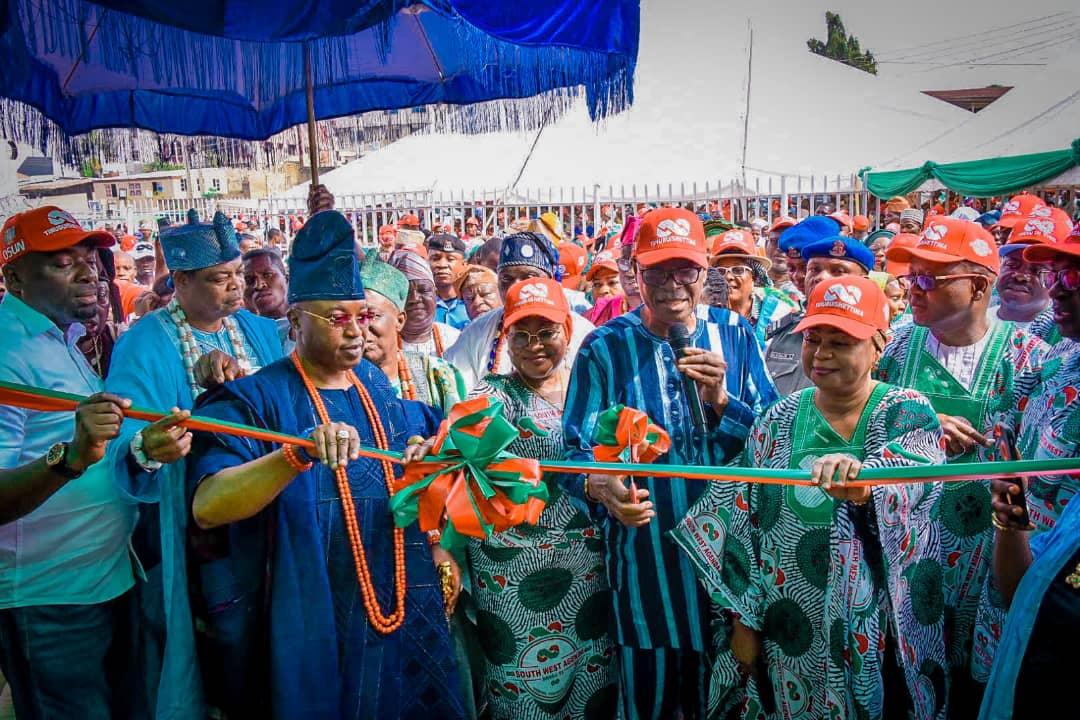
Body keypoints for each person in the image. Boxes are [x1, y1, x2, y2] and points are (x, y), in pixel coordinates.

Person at [183, 208, 464, 719]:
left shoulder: (379, 389)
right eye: (337, 318)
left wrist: (436, 460)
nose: (356, 332)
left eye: (362, 315)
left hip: (400, 609)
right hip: (309, 620)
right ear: (294, 321)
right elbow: (207, 505)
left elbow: (437, 465)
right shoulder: (254, 399)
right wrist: (293, 455)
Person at [674, 274, 949, 719]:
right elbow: (743, 525)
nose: (820, 355)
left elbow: (913, 475)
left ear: (879, 344)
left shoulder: (906, 410)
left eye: (840, 342)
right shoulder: (780, 418)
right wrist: (746, 620)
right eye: (813, 339)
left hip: (882, 635)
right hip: (789, 631)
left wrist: (864, 485)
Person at [562, 208, 777, 720]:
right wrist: (600, 485)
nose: (672, 285)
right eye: (657, 271)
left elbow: (775, 438)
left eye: (686, 271)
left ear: (706, 273)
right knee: (650, 705)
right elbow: (571, 452)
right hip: (646, 573)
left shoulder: (737, 334)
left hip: (731, 569)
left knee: (731, 701)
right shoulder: (604, 347)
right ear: (634, 273)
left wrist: (723, 401)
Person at [104, 209, 284, 719]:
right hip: (191, 527)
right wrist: (150, 447)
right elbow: (126, 440)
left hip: (265, 509)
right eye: (219, 279)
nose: (235, 289)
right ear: (181, 281)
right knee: (215, 642)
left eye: (237, 275)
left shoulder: (258, 330)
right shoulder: (145, 341)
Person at [877, 216, 1047, 716]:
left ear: (978, 285)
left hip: (993, 570)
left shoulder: (1028, 359)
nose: (915, 290)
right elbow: (865, 428)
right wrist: (921, 425)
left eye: (931, 278)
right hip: (907, 574)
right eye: (911, 278)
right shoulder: (896, 351)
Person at [0, 207, 154, 720]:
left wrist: (142, 448)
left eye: (91, 257)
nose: (91, 272)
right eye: (65, 262)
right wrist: (68, 459)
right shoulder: (6, 350)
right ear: (15, 276)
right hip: (49, 602)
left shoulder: (61, 339)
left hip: (106, 579)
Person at [464, 277, 616, 719]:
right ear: (504, 338)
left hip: (586, 577)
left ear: (568, 331)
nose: (534, 346)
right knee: (526, 695)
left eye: (546, 332)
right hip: (514, 585)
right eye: (521, 334)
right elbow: (458, 448)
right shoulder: (492, 395)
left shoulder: (590, 390)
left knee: (593, 689)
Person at [969, 229, 1080, 691]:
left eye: (1073, 277)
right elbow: (1003, 430)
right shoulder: (1058, 357)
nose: (1055, 287)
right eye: (1057, 274)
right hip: (1012, 589)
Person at [444, 232, 596, 392]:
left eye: (529, 277)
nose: (515, 287)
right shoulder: (476, 333)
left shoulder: (583, 333)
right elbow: (455, 393)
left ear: (551, 279)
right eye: (506, 279)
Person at [765, 230, 872, 397]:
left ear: (864, 281)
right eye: (814, 269)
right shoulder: (785, 333)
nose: (821, 277)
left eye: (838, 271)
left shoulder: (873, 339)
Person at [359, 256, 465, 414]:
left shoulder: (438, 375)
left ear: (400, 320)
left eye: (371, 316)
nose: (359, 328)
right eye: (346, 318)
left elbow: (462, 433)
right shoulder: (333, 381)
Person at [710, 228, 797, 347]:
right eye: (721, 271)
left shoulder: (778, 312)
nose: (728, 276)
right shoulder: (705, 314)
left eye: (738, 270)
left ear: (754, 277)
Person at [389, 249, 461, 357]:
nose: (414, 298)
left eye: (423, 290)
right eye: (406, 292)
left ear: (435, 294)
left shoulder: (455, 340)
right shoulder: (382, 344)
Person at [243, 247, 292, 351]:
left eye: (268, 275)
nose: (259, 285)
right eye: (249, 280)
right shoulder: (239, 333)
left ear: (286, 279)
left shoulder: (310, 323)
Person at [426, 233, 471, 330]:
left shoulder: (473, 302)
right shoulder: (421, 303)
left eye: (450, 259)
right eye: (435, 259)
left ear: (464, 265)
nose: (442, 265)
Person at [584, 249, 629, 326]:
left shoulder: (645, 319)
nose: (603, 290)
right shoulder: (584, 322)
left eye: (612, 283)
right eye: (597, 284)